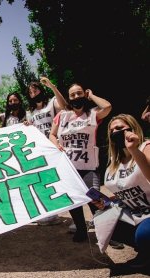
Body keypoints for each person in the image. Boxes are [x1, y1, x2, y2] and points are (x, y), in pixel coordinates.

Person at [49, 83, 112, 242]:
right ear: (69, 98)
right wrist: (56, 144)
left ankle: (109, 231)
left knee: (94, 198)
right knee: (74, 199)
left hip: (89, 166)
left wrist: (92, 96)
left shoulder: (93, 114)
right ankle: (81, 230)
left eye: (79, 93)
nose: (76, 97)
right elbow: (52, 134)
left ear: (84, 94)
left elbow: (108, 107)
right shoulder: (62, 116)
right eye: (73, 95)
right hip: (68, 167)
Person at [96, 114, 150, 268]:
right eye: (112, 130)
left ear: (132, 128)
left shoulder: (145, 147)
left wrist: (134, 150)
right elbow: (124, 191)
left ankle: (145, 249)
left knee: (144, 235)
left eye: (119, 128)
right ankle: (145, 251)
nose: (115, 132)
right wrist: (105, 201)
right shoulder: (115, 161)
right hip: (136, 213)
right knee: (103, 216)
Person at [26, 77, 67, 226]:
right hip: (39, 150)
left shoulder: (51, 103)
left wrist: (52, 85)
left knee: (60, 179)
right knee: (45, 180)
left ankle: (70, 213)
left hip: (55, 146)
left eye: (35, 90)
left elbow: (64, 105)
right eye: (30, 92)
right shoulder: (30, 112)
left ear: (41, 90)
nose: (33, 93)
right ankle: (48, 213)